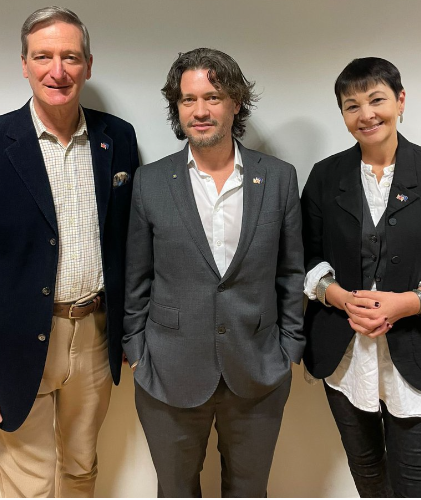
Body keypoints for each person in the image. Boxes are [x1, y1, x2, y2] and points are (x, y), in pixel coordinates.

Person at [0, 6, 138, 498]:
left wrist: (130, 330)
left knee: (81, 469)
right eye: (44, 56)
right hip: (13, 343)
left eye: (70, 57)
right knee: (29, 485)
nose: (57, 70)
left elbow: (128, 240)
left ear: (88, 65)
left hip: (96, 337)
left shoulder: (117, 138)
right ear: (24, 65)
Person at [123, 47, 305, 498]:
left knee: (249, 490)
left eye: (213, 97)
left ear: (236, 103)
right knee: (175, 489)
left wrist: (290, 349)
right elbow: (136, 277)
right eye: (188, 100)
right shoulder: (150, 181)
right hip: (167, 369)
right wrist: (136, 349)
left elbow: (291, 270)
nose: (200, 111)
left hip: (259, 367)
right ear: (177, 107)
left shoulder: (279, 178)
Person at [301, 57, 421, 498]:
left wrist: (412, 301)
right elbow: (304, 256)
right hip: (345, 358)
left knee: (419, 483)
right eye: (352, 105)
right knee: (368, 476)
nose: (365, 114)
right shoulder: (325, 177)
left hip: (419, 353)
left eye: (376, 100)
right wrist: (338, 296)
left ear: (400, 101)